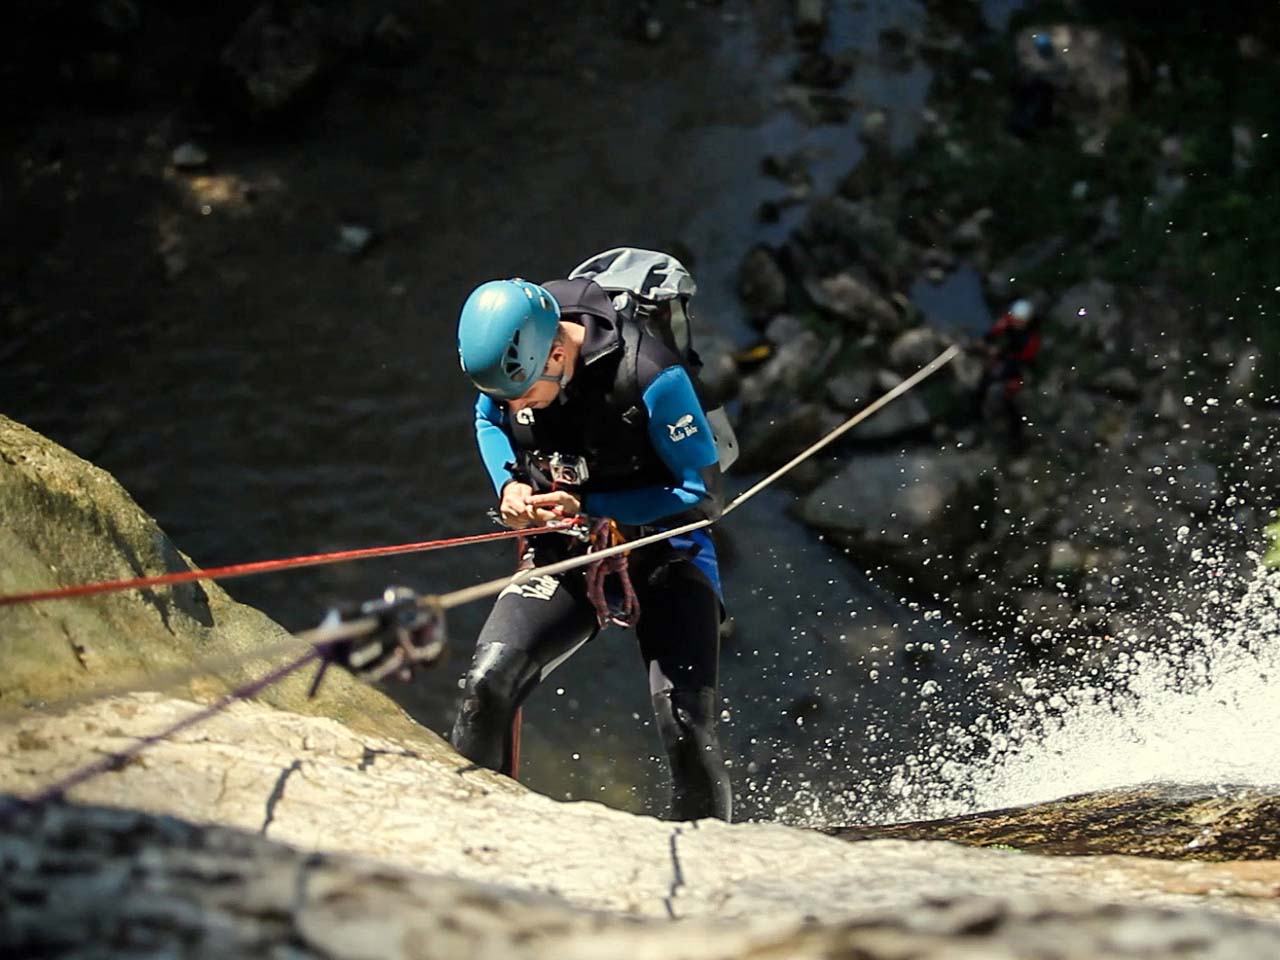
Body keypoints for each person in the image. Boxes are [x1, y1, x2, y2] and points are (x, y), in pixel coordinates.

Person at [449, 271, 733, 822]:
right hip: (568, 543)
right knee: (487, 685)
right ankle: (480, 836)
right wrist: (509, 483)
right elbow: (487, 416)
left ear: (557, 352)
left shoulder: (650, 374)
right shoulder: (515, 373)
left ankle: (706, 864)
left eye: (524, 395)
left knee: (685, 723)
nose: (515, 408)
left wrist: (596, 508)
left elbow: (701, 494)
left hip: (667, 545)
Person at [973, 298, 1042, 451]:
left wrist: (1003, 356)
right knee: (983, 386)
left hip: (1016, 367)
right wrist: (985, 343)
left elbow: (1026, 358)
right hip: (1004, 361)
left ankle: (1015, 438)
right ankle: (976, 417)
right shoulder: (1008, 322)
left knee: (1010, 401)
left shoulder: (1031, 337)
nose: (1017, 322)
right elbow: (993, 333)